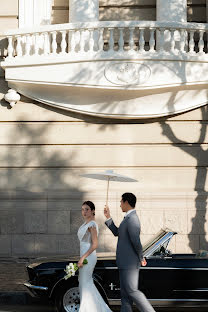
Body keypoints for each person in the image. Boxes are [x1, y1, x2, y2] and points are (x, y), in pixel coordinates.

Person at [104, 193, 156, 312]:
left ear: (127, 202)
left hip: (130, 264)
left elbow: (136, 241)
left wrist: (141, 257)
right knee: (125, 296)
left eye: (121, 202)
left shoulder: (132, 219)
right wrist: (108, 217)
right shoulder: (127, 218)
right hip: (124, 263)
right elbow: (117, 232)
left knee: (132, 291)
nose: (120, 205)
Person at [77, 200, 112, 312]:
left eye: (87, 209)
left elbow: (95, 244)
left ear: (93, 211)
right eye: (82, 209)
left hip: (88, 257)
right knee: (84, 284)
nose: (84, 212)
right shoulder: (85, 224)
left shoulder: (92, 224)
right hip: (84, 255)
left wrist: (83, 257)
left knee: (85, 283)